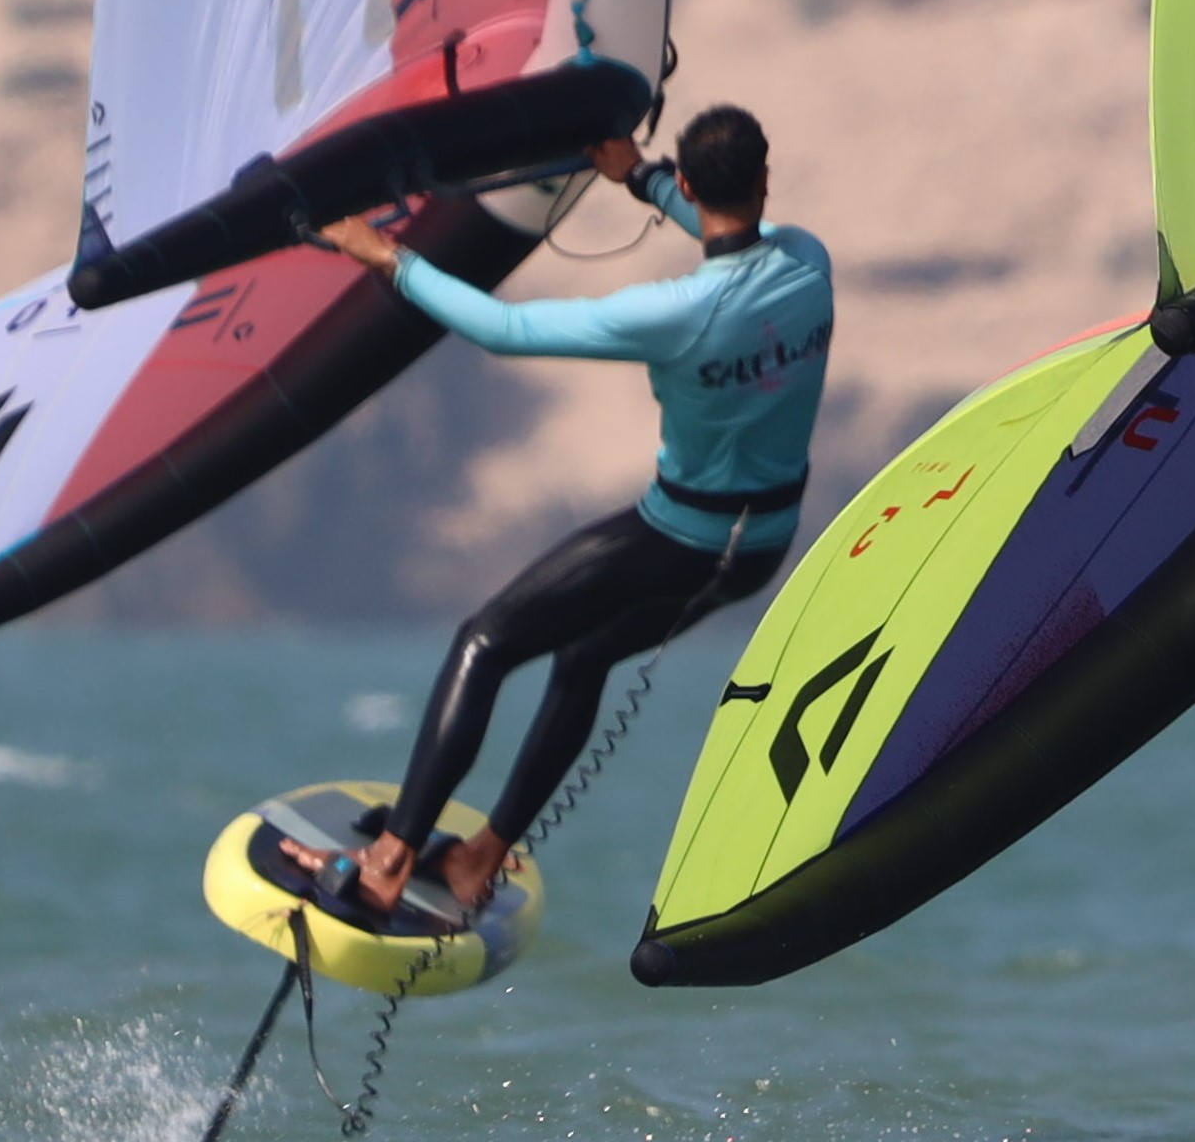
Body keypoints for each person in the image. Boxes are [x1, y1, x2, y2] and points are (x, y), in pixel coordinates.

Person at [299, 102, 833, 925]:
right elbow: (727, 223)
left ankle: (390, 858)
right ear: (767, 177)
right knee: (583, 659)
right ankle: (479, 858)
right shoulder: (809, 262)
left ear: (694, 179)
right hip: (759, 549)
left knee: (484, 640)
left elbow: (506, 328)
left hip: (678, 540)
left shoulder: (677, 312)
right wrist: (641, 176)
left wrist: (390, 258)